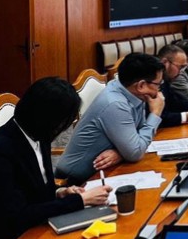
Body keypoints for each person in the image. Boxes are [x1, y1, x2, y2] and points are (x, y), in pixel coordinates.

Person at [0, 78, 112, 239]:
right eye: (63, 122)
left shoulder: (39, 135)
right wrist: (80, 201)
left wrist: (60, 192)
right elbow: (15, 217)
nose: (63, 129)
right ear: (46, 118)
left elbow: (34, 189)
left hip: (36, 229)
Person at [56, 53, 165, 184]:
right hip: (75, 180)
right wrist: (155, 113)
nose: (159, 90)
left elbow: (137, 136)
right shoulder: (115, 104)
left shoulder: (131, 91)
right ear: (141, 85)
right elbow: (135, 152)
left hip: (106, 170)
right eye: (158, 84)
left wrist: (120, 153)